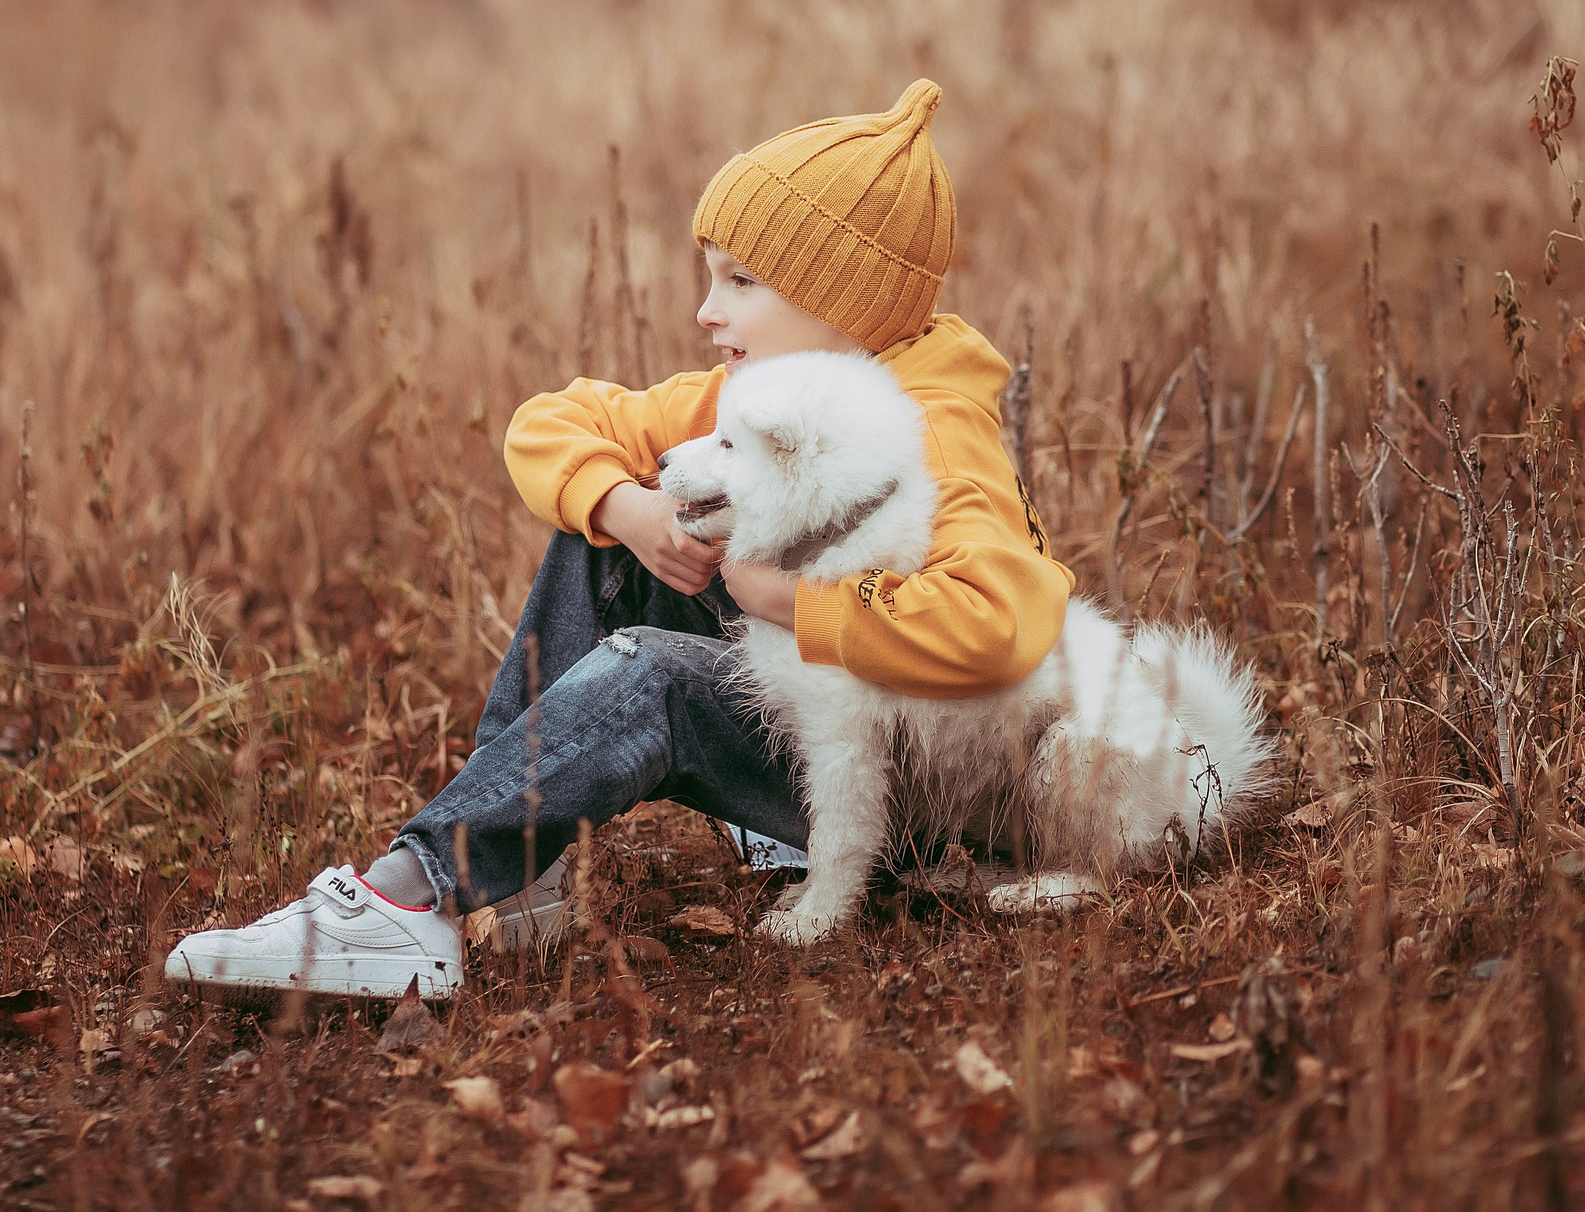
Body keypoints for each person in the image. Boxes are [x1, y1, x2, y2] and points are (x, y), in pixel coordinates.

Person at [164, 79, 1073, 997]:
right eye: (711, 275)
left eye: (741, 282)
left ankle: (412, 894)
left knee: (658, 673)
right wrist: (628, 513)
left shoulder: (934, 427)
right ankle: (525, 878)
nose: (706, 311)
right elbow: (552, 422)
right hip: (813, 727)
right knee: (609, 523)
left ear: (848, 303)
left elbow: (1002, 622)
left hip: (904, 786)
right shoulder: (750, 395)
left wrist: (784, 599)